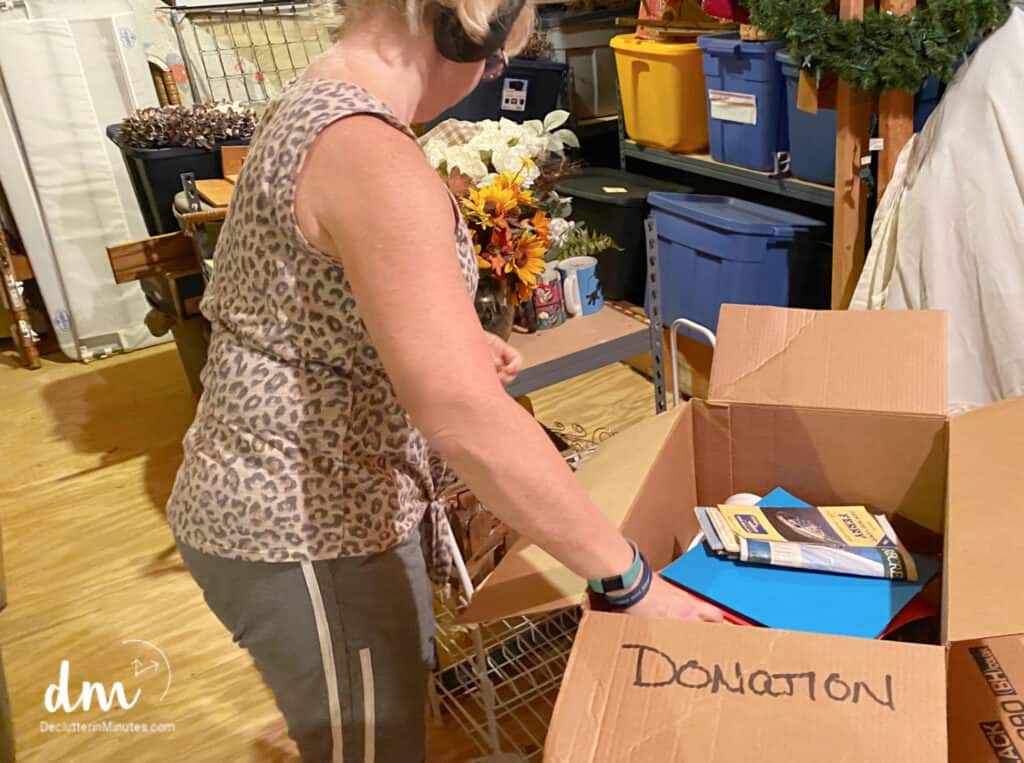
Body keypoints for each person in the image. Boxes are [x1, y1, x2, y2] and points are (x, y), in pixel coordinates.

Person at [165, 1, 723, 760]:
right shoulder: (369, 152)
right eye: (497, 60)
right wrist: (627, 577)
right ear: (464, 28)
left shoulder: (319, 101)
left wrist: (452, 343)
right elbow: (461, 415)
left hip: (306, 504)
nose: (485, 79)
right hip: (302, 525)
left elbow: (318, 314)